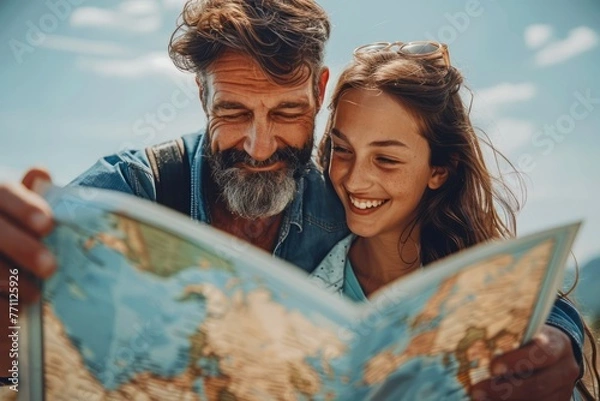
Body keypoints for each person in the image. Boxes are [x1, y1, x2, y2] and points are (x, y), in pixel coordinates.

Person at [0, 1, 590, 399]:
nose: (259, 146)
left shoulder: (346, 199)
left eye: (287, 112)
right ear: (200, 93)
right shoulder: (133, 190)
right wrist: (7, 305)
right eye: (232, 112)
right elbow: (16, 341)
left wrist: (560, 337)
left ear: (320, 88)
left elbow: (471, 258)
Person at [309, 40, 599, 400]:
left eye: (385, 159)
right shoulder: (309, 273)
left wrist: (559, 332)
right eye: (343, 149)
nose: (354, 179)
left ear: (440, 170)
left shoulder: (494, 294)